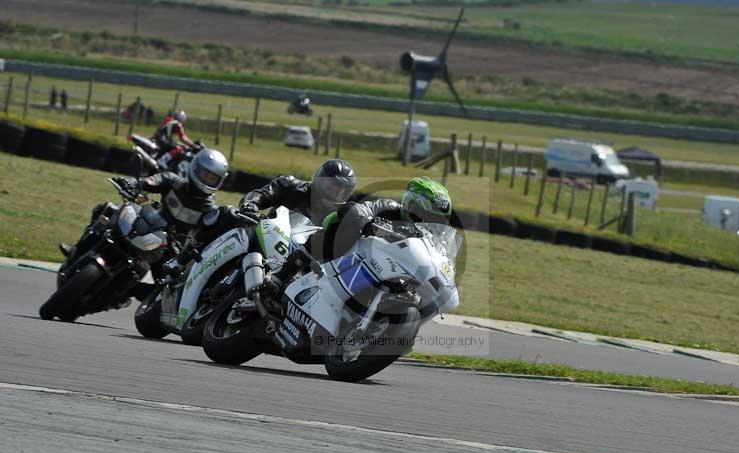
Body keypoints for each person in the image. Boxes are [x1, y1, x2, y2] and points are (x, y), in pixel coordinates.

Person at [257, 176, 452, 298]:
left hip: (378, 268)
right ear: (413, 205)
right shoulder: (389, 208)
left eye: (436, 219)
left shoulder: (429, 240)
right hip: (347, 251)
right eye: (428, 214)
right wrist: (368, 223)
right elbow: (354, 208)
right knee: (346, 224)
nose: (429, 220)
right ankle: (283, 274)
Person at [59, 149, 232, 277]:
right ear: (194, 168)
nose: (206, 180)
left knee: (168, 283)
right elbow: (151, 181)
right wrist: (133, 183)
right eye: (204, 174)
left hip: (169, 249)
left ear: (219, 181)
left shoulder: (209, 210)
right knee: (108, 209)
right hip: (149, 224)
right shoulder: (174, 182)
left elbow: (208, 234)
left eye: (212, 178)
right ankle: (77, 250)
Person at [238, 159, 357, 227]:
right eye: (331, 187)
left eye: (340, 192)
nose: (334, 194)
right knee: (228, 213)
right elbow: (262, 194)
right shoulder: (291, 186)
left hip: (299, 260)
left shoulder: (339, 216)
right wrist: (250, 204)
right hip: (266, 237)